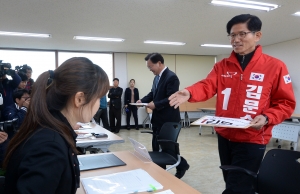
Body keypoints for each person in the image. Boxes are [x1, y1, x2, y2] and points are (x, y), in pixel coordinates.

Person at [169, 14, 296, 194]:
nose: (235, 40)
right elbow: (208, 85)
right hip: (225, 137)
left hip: (252, 138)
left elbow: (285, 103)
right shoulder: (222, 66)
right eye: (232, 35)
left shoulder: (275, 67)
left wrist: (267, 117)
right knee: (233, 182)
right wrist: (189, 92)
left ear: (257, 35)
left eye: (242, 34)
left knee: (238, 187)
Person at [3, 57, 109, 194]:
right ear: (79, 99)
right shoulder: (49, 146)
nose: (99, 104)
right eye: (98, 98)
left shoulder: (51, 128)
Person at [136, 53, 189, 179]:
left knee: (168, 148)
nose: (150, 70)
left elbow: (171, 99)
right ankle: (160, 173)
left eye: (151, 66)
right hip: (158, 119)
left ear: (159, 63)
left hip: (169, 120)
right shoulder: (157, 77)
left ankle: (181, 165)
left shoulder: (171, 77)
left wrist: (156, 105)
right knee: (156, 146)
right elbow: (153, 93)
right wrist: (142, 101)